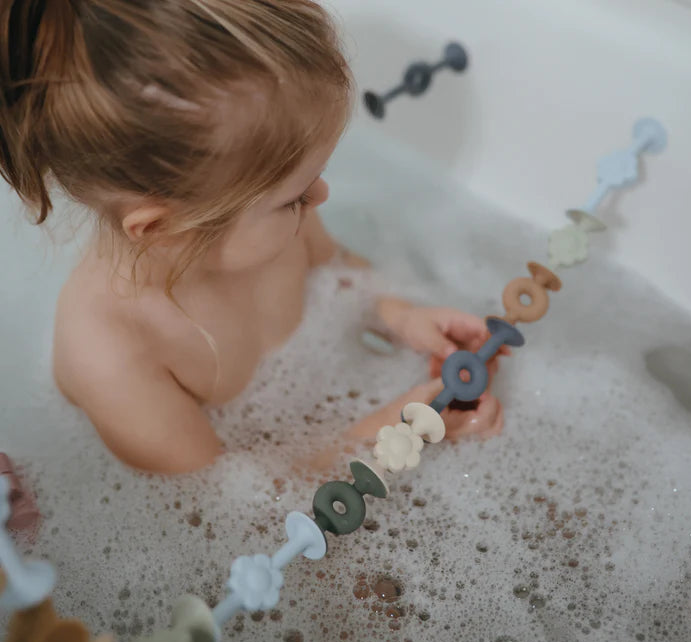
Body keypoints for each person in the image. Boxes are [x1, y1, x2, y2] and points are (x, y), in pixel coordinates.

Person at [0, 0, 500, 474]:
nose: (321, 197)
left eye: (315, 178)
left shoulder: (277, 220)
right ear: (165, 228)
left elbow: (339, 271)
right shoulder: (112, 353)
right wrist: (392, 429)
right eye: (296, 197)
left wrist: (401, 316)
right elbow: (224, 498)